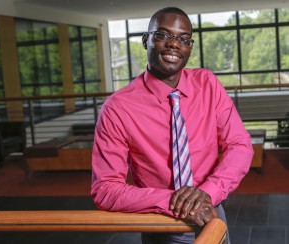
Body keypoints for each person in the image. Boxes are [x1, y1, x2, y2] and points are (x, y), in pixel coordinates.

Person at [91, 6, 254, 244]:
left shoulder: (207, 84)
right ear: (147, 40)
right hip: (158, 223)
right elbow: (104, 189)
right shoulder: (117, 108)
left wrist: (206, 194)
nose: (174, 44)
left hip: (212, 215)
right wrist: (175, 201)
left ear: (189, 47)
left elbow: (240, 145)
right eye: (163, 35)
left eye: (184, 39)